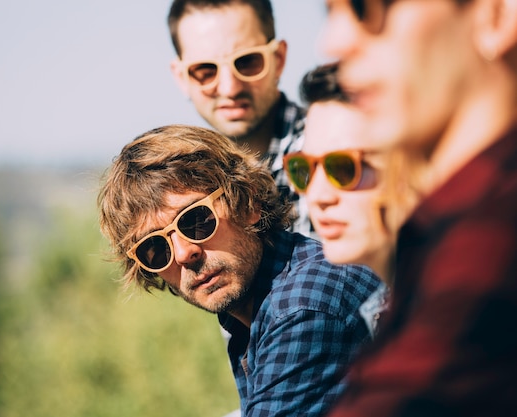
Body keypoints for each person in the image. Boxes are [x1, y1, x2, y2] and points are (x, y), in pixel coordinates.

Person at [315, 1, 517, 416]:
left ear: (495, 14)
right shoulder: (443, 233)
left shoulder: (492, 236)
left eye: (366, 7)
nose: (332, 42)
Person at [97, 124, 381, 416]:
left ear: (248, 204)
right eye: (155, 249)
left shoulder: (302, 305)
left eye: (196, 220)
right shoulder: (253, 312)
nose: (184, 254)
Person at [283, 63, 411, 338]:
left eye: (343, 168)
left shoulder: (473, 312)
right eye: (303, 169)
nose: (317, 197)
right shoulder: (387, 311)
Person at [167, 0, 312, 236]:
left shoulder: (323, 152)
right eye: (205, 71)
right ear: (181, 78)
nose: (230, 88)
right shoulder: (189, 183)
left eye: (247, 62)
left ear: (278, 59)